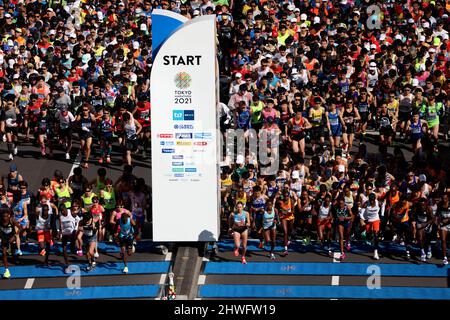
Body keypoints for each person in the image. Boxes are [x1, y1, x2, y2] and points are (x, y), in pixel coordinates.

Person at [360, 193, 381, 260]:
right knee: (369, 235)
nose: (372, 201)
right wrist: (363, 219)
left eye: (373, 200)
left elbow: (383, 206)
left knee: (376, 235)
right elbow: (361, 211)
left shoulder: (378, 203)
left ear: (375, 199)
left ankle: (375, 252)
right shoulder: (366, 204)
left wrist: (382, 215)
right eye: (370, 200)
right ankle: (366, 235)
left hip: (376, 220)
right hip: (368, 220)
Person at [59, 204, 79, 273]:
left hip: (72, 233)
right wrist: (60, 232)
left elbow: (78, 220)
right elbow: (60, 223)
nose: (62, 212)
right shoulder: (60, 215)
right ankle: (67, 264)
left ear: (65, 209)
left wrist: (75, 230)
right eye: (61, 211)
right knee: (64, 248)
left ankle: (77, 249)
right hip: (64, 233)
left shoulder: (71, 212)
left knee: (72, 249)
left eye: (63, 210)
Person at [1, 207, 20, 279]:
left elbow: (20, 227)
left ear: (9, 216)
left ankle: (14, 256)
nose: (5, 218)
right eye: (4, 216)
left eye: (6, 216)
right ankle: (7, 270)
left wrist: (15, 235)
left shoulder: (12, 220)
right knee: (4, 253)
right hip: (4, 237)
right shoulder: (0, 220)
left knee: (12, 249)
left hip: (11, 235)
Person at [75, 104, 96, 168]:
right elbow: (76, 124)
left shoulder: (91, 116)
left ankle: (86, 161)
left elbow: (95, 124)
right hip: (82, 133)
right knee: (82, 145)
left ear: (88, 110)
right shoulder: (80, 115)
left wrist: (90, 126)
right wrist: (81, 127)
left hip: (89, 133)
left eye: (86, 110)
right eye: (83, 110)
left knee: (88, 146)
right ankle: (83, 151)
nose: (84, 111)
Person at [115, 209, 136, 274]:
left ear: (127, 219)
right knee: (123, 251)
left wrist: (135, 235)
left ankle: (131, 247)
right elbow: (115, 227)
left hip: (129, 236)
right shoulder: (119, 221)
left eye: (125, 221)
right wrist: (116, 234)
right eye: (123, 221)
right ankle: (125, 267)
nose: (124, 222)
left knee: (129, 253)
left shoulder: (130, 221)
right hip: (122, 236)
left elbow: (135, 226)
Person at [276, 189, 296, 256]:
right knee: (285, 232)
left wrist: (289, 213)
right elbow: (277, 209)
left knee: (290, 230)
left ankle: (289, 237)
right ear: (283, 196)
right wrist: (280, 213)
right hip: (283, 218)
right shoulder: (280, 201)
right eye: (285, 196)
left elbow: (293, 211)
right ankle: (285, 249)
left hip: (290, 217)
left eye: (287, 196)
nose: (286, 198)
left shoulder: (291, 201)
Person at [437, 193, 450, 265]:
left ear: (448, 198)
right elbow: (438, 216)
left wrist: (448, 220)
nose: (444, 200)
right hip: (443, 225)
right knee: (443, 240)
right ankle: (444, 257)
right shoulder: (440, 205)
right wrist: (438, 223)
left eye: (445, 198)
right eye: (443, 198)